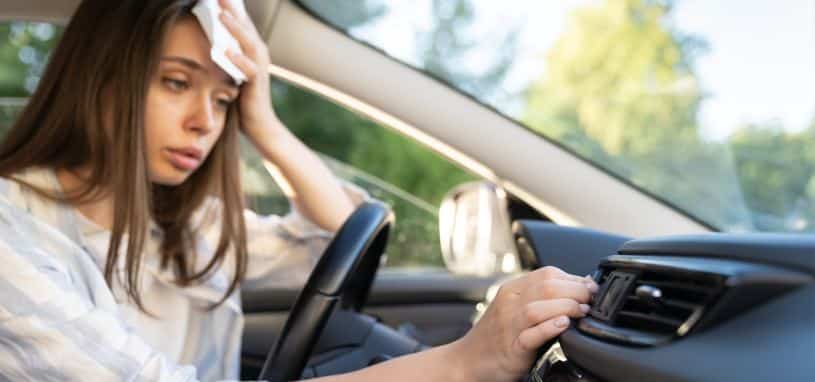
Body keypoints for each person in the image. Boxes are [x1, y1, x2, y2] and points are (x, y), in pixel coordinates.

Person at [0, 0, 598, 381]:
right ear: (99, 81)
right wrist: (466, 361)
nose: (205, 123)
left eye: (222, 99)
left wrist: (263, 120)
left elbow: (338, 238)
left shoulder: (182, 227)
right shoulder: (11, 231)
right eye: (177, 83)